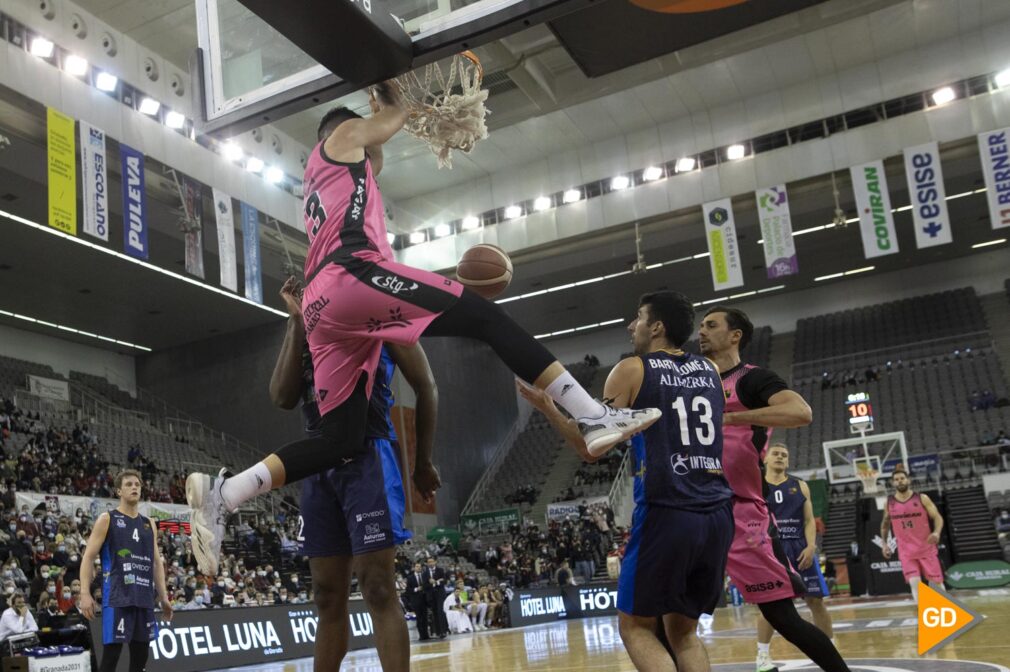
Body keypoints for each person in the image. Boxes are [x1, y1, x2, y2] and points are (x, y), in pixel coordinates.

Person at [186, 83, 661, 572]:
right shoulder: (340, 136)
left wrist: (382, 127)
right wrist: (389, 92)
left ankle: (227, 493)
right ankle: (590, 414)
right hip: (352, 275)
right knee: (485, 316)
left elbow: (377, 156)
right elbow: (390, 119)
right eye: (369, 144)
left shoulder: (333, 182)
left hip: (322, 306)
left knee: (340, 441)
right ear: (348, 136)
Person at [520, 292, 734, 672]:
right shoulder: (710, 371)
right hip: (717, 512)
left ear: (657, 326)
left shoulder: (632, 369)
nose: (631, 326)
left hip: (668, 509)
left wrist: (549, 409)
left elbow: (591, 448)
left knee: (635, 627)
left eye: (638, 317)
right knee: (684, 633)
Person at [268, 278, 433, 672]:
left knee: (377, 587)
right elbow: (281, 396)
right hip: (317, 468)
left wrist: (423, 462)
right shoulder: (305, 326)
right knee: (326, 595)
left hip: (368, 459)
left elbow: (427, 386)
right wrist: (295, 323)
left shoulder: (378, 311)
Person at [698, 306, 850, 672]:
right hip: (695, 510)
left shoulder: (752, 380)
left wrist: (732, 417)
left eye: (711, 325)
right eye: (700, 326)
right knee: (666, 616)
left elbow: (801, 412)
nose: (701, 331)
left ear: (735, 335)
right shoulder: (693, 383)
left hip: (741, 513)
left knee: (783, 618)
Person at [79, 470, 173, 672]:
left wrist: (164, 597)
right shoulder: (107, 519)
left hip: (144, 598)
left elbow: (156, 563)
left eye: (137, 485)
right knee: (111, 658)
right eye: (129, 484)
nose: (134, 488)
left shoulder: (149, 524)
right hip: (117, 597)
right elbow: (88, 557)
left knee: (140, 660)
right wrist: (85, 593)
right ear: (118, 491)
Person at [755, 443, 834, 672]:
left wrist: (811, 546)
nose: (780, 457)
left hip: (800, 548)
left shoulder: (800, 486)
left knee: (816, 601)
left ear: (788, 462)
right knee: (771, 607)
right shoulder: (756, 484)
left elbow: (809, 521)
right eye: (775, 454)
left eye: (784, 455)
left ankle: (829, 649)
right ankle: (762, 656)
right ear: (766, 459)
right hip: (771, 549)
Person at [880, 465, 946, 602]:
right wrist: (884, 544)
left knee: (936, 584)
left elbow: (938, 517)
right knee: (914, 582)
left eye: (902, 478)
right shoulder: (889, 502)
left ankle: (946, 611)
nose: (900, 481)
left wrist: (937, 532)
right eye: (896, 479)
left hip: (925, 548)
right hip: (906, 551)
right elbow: (885, 524)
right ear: (893, 483)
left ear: (908, 480)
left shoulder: (922, 498)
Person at [423, 557, 448, 639]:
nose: (430, 563)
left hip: (440, 594)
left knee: (441, 611)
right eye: (429, 562)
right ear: (427, 563)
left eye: (432, 561)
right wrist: (430, 583)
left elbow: (444, 581)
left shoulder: (440, 570)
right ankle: (438, 632)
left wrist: (436, 582)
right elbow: (425, 586)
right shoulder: (425, 573)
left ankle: (443, 631)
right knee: (435, 613)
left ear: (435, 562)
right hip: (431, 595)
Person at [406, 562, 430, 641]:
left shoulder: (424, 576)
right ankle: (421, 635)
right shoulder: (410, 578)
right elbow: (408, 590)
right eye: (417, 566)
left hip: (424, 599)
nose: (419, 568)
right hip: (416, 601)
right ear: (414, 568)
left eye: (420, 566)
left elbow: (427, 586)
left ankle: (426, 635)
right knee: (419, 618)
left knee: (425, 618)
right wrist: (416, 589)